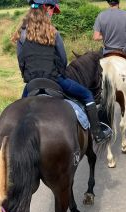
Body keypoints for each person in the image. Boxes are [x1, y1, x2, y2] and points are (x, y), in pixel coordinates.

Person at [11, 0, 112, 143]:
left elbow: (21, 61)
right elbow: (63, 60)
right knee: (87, 95)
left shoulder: (21, 33)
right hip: (55, 80)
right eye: (53, 10)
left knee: (20, 113)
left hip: (32, 83)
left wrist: (29, 77)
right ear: (47, 7)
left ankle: (15, 139)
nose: (53, 14)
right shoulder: (53, 32)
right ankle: (97, 133)